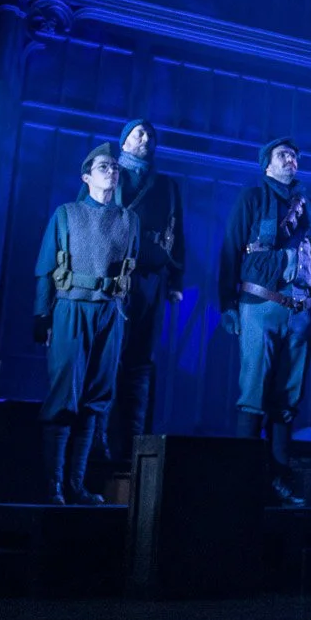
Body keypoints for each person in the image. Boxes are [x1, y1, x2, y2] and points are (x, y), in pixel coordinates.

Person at [217, 137, 311, 504]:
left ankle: (280, 479)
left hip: (301, 310)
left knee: (287, 397)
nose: (290, 160)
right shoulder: (251, 198)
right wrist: (227, 304)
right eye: (283, 155)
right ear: (267, 162)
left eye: (294, 155)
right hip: (259, 304)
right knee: (254, 391)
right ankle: (242, 481)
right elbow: (230, 250)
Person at [33, 143, 139, 506]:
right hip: (72, 308)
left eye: (115, 167)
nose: (112, 171)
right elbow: (46, 266)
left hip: (110, 313)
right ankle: (54, 487)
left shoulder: (129, 219)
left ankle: (76, 486)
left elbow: (129, 269)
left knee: (96, 399)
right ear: (86, 176)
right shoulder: (67, 214)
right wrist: (41, 314)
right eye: (103, 167)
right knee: (65, 396)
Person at [107, 117, 185, 464]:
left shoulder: (167, 185)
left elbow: (177, 233)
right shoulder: (108, 174)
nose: (145, 138)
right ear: (124, 141)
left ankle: (133, 446)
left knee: (141, 360)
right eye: (138, 133)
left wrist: (176, 280)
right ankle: (103, 444)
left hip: (152, 279)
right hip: (112, 278)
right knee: (110, 357)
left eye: (150, 135)